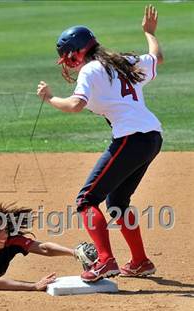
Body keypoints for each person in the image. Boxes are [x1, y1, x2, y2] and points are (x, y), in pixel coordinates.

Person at [37, 5, 163, 282]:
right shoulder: (122, 61)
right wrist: (149, 33)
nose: (68, 63)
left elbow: (74, 105)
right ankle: (140, 261)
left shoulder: (90, 71)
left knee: (86, 200)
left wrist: (49, 98)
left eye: (67, 57)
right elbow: (156, 58)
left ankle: (105, 261)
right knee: (117, 201)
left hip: (131, 138)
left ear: (76, 53)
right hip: (152, 137)